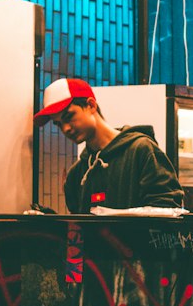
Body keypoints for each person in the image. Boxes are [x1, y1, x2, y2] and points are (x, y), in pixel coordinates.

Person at [34, 76, 184, 212]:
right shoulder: (76, 175)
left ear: (91, 105)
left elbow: (167, 211)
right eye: (58, 124)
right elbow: (80, 231)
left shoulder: (142, 151)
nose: (66, 128)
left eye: (69, 116)